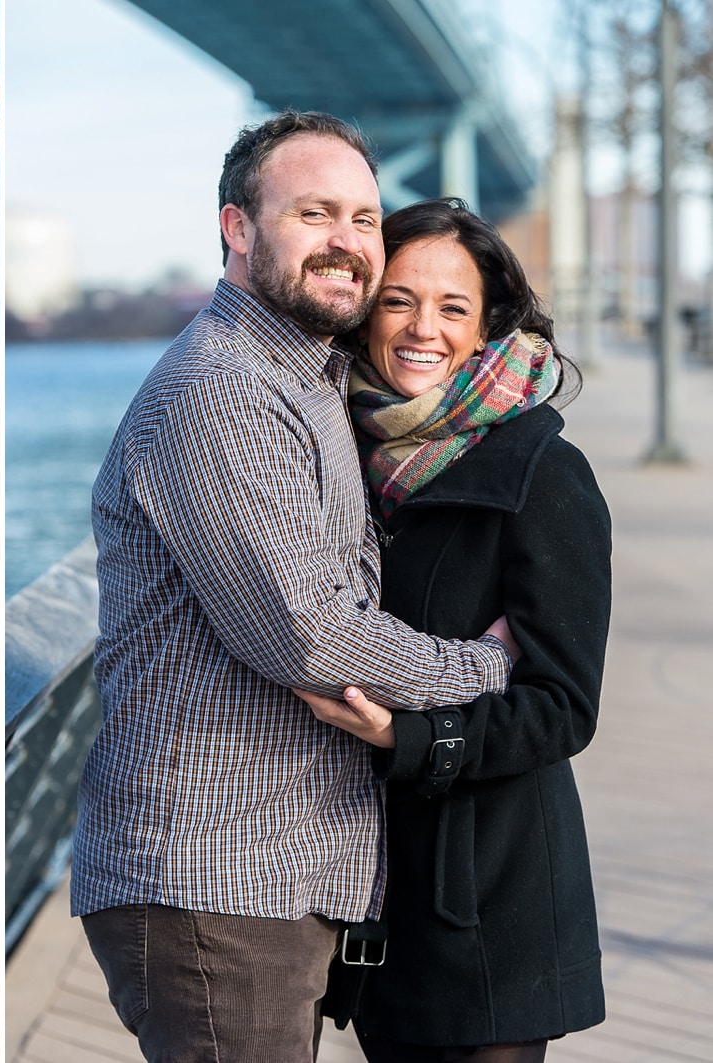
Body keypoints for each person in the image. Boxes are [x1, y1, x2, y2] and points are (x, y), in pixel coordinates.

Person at [74, 110, 520, 1063]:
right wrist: (484, 665)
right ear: (237, 227)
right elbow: (309, 635)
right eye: (314, 213)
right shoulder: (219, 389)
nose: (348, 243)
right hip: (213, 877)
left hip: (270, 874)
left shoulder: (309, 374)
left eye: (364, 219)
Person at [294, 198, 609, 1063]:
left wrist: (408, 733)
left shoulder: (542, 471)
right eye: (398, 300)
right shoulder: (334, 454)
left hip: (491, 903)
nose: (421, 328)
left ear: (486, 327)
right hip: (375, 898)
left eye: (452, 307)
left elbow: (563, 706)